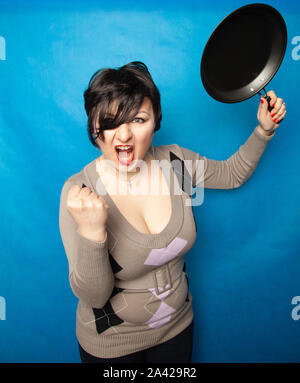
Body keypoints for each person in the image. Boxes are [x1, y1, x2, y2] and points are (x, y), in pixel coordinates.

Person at [58, 61, 286, 363]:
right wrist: (91, 233)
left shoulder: (175, 162)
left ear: (155, 122)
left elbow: (232, 174)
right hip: (112, 345)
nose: (124, 135)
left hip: (177, 329)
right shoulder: (80, 190)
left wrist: (263, 130)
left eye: (138, 119)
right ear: (94, 128)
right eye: (111, 122)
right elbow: (96, 297)